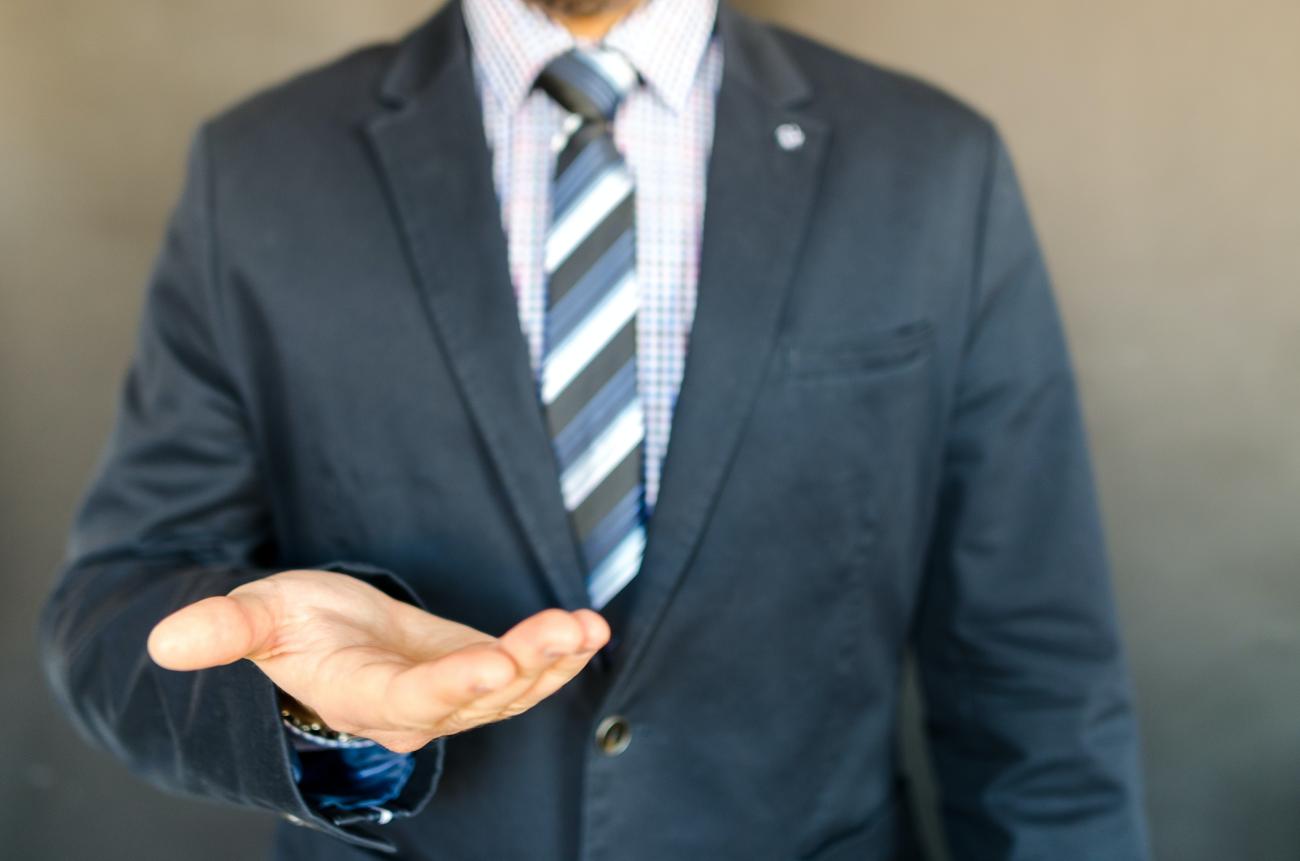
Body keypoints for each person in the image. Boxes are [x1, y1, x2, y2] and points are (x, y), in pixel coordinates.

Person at [38, 0, 1152, 858]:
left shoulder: (933, 168)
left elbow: (1032, 669)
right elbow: (114, 605)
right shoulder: (259, 169)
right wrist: (293, 701)